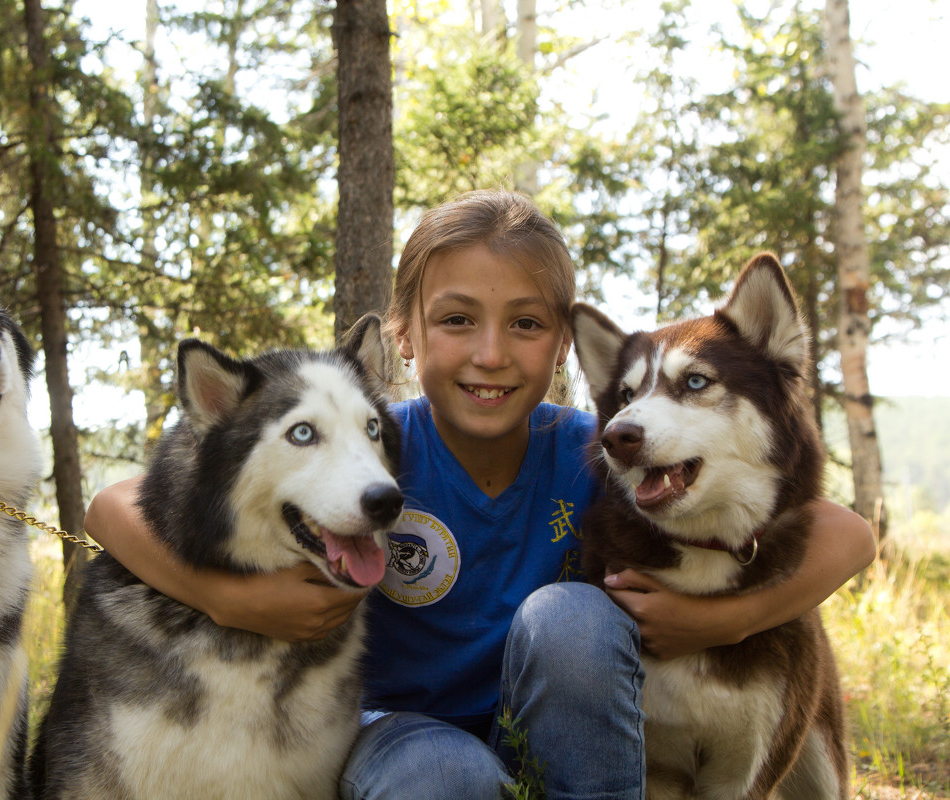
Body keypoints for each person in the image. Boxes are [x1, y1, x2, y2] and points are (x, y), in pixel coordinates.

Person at [85, 190, 876, 799]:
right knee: (443, 774)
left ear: (564, 343)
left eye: (526, 325)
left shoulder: (594, 452)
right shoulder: (369, 450)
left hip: (554, 737)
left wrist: (720, 618)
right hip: (398, 740)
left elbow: (846, 535)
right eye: (458, 320)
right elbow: (109, 507)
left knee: (570, 620)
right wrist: (229, 601)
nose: (491, 355)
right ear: (406, 334)